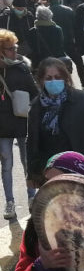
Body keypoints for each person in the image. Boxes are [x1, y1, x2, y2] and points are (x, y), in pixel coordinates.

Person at [26, 57, 84, 189]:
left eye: (57, 77)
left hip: (83, 170)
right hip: (53, 173)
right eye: (49, 78)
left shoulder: (83, 100)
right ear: (41, 80)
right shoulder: (36, 107)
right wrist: (31, 174)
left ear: (66, 78)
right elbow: (33, 142)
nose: (53, 81)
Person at [0, 30, 38, 219]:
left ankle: (32, 197)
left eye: (15, 47)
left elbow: (35, 92)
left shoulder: (22, 67)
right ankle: (9, 202)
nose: (15, 51)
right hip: (2, 126)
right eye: (10, 49)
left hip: (23, 122)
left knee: (27, 162)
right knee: (6, 163)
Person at [48, 0, 84, 90]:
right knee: (79, 63)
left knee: (60, 68)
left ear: (48, 0)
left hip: (55, 46)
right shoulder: (68, 10)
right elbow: (76, 27)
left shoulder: (47, 12)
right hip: (70, 42)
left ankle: (66, 88)